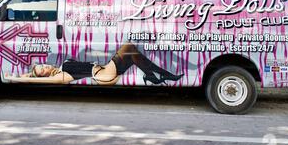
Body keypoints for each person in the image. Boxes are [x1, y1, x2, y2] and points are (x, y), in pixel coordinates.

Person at [18, 43, 183, 86]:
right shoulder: (61, 76)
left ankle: (155, 75)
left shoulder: (62, 65)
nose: (45, 68)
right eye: (42, 71)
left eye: (42, 66)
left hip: (105, 71)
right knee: (128, 47)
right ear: (45, 76)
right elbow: (38, 80)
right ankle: (160, 75)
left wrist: (28, 72)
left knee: (133, 54)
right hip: (103, 76)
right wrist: (16, 77)